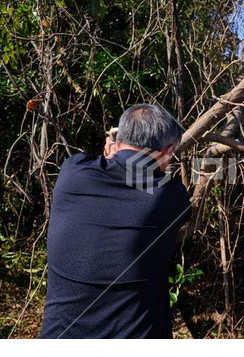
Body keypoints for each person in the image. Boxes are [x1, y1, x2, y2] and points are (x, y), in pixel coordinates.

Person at [41, 104, 191, 339]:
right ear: (169, 151)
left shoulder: (72, 172)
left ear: (118, 137)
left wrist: (113, 151)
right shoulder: (171, 195)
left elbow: (112, 167)